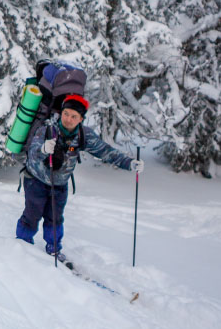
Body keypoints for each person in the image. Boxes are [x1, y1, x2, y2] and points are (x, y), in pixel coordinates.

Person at [15, 94, 143, 259]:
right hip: (35, 180)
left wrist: (129, 163)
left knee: (55, 218)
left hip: (60, 184)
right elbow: (32, 153)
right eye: (66, 114)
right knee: (32, 214)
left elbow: (105, 151)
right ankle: (22, 245)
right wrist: (43, 150)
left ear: (81, 119)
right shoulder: (47, 130)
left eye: (74, 116)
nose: (68, 119)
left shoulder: (84, 135)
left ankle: (54, 249)